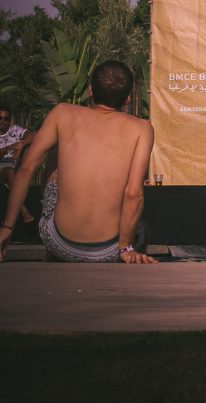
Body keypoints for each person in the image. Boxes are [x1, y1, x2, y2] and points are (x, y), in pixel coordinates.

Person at [0, 61, 156, 264]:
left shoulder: (62, 113)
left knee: (56, 166)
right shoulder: (142, 128)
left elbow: (26, 168)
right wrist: (125, 248)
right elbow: (134, 193)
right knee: (143, 228)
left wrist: (7, 228)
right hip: (109, 251)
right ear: (127, 99)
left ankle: (52, 252)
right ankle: (124, 245)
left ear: (90, 91)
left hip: (58, 242)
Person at [0, 107, 37, 230]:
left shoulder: (15, 129)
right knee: (9, 171)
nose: (3, 121)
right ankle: (24, 212)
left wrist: (21, 144)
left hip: (15, 165)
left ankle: (23, 215)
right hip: (2, 168)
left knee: (11, 171)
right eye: (0, 119)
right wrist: (11, 146)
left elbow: (34, 135)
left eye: (6, 119)